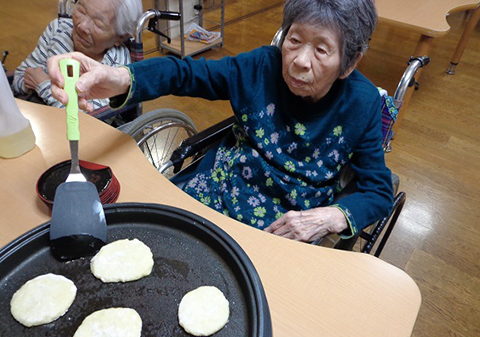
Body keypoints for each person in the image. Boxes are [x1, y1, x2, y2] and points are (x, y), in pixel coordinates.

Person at [47, 0, 394, 243]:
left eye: (321, 50)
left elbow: (378, 191)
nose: (299, 61)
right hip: (221, 182)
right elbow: (186, 73)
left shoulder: (362, 104)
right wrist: (118, 76)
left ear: (349, 63)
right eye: (295, 40)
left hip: (287, 217)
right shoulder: (261, 66)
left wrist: (330, 217)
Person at [13, 0, 142, 110]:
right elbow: (20, 78)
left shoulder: (117, 63)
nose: (82, 26)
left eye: (98, 24)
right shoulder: (57, 30)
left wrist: (44, 85)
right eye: (81, 11)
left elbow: (92, 120)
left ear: (120, 37)